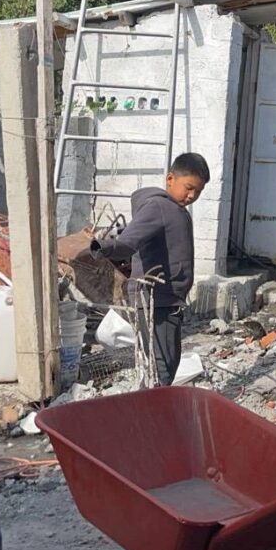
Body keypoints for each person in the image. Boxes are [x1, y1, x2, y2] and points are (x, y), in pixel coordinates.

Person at [88, 152, 209, 387]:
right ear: (170, 178)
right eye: (189, 187)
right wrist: (103, 247)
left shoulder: (172, 209)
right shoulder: (158, 207)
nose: (192, 195)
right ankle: (147, 417)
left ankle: (147, 413)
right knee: (161, 370)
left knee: (163, 367)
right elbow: (130, 240)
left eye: (199, 191)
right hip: (155, 299)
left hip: (168, 299)